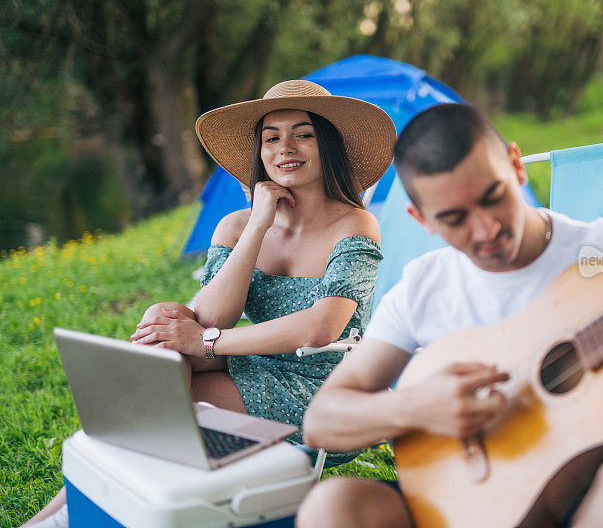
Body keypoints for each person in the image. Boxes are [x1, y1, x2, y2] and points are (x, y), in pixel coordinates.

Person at [295, 103, 603, 528]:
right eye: (454, 218)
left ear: (515, 166)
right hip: (456, 505)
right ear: (421, 221)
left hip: (583, 505)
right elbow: (320, 421)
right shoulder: (423, 287)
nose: (486, 229)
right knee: (330, 507)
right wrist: (415, 407)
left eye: (494, 197)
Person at [23, 80, 395, 528]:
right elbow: (214, 315)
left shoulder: (355, 224)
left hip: (322, 391)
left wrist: (207, 341)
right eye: (271, 138)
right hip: (255, 365)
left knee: (150, 411)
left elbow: (321, 327)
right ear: (259, 153)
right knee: (164, 326)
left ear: (328, 144)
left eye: (303, 134)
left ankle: (66, 517)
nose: (285, 149)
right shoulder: (236, 225)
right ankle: (67, 516)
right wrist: (258, 224)